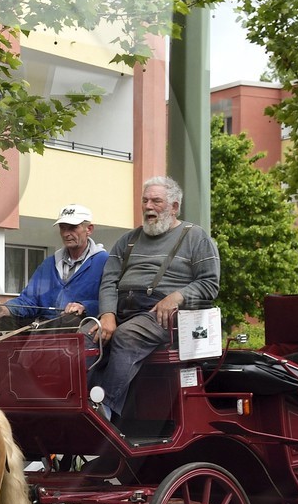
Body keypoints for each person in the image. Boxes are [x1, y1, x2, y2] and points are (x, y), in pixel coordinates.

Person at [89, 176, 220, 422]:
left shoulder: (196, 237)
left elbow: (210, 284)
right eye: (145, 200)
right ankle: (75, 404)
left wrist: (177, 296)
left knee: (127, 336)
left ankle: (103, 410)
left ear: (174, 207)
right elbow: (109, 281)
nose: (148, 206)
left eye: (156, 201)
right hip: (122, 311)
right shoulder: (127, 240)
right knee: (83, 336)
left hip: (162, 316)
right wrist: (107, 314)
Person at [3, 203, 108, 321]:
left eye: (72, 227)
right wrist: (7, 309)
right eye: (63, 227)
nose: (65, 234)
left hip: (81, 326)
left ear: (89, 229)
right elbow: (29, 300)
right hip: (44, 328)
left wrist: (85, 306)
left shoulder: (105, 261)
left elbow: (114, 301)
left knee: (70, 319)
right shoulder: (49, 264)